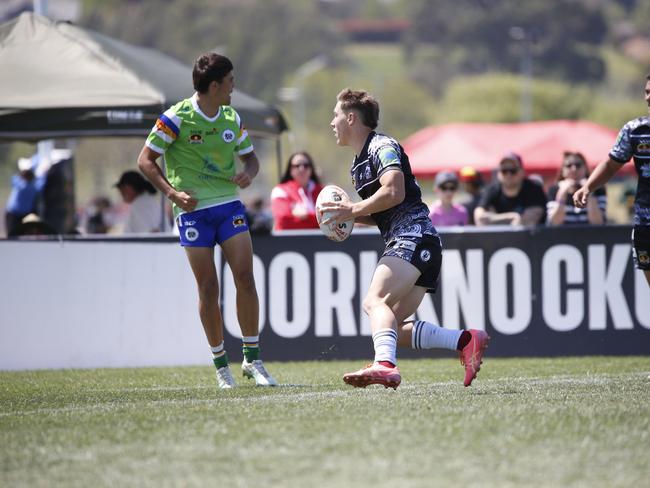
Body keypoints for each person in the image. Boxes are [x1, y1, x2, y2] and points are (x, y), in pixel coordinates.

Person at [324, 88, 489, 389]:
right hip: (418, 241)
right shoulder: (357, 164)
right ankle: (465, 339)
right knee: (392, 327)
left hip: (412, 235)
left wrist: (352, 208)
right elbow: (385, 210)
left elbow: (394, 191)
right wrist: (347, 217)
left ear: (350, 117)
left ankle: (385, 366)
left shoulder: (382, 146)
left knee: (375, 301)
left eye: (335, 115)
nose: (332, 122)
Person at [136, 52, 277, 389]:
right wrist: (173, 194)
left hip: (229, 206)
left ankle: (252, 359)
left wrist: (248, 173)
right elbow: (145, 160)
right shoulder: (176, 118)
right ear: (214, 85)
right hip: (192, 212)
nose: (234, 87)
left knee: (245, 277)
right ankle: (220, 364)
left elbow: (251, 159)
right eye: (230, 82)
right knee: (209, 288)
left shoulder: (231, 117)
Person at [574, 74, 650, 287]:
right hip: (645, 223)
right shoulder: (634, 131)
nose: (648, 98)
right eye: (646, 92)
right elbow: (610, 165)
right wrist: (588, 187)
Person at [474, 152, 547, 226]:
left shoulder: (534, 189)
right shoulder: (491, 189)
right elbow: (480, 218)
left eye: (513, 171)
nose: (508, 175)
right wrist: (511, 217)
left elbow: (527, 221)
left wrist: (493, 219)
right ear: (498, 173)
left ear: (522, 171)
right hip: (499, 237)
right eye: (504, 171)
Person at [547, 151, 606, 226]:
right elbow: (554, 223)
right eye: (568, 165)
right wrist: (562, 193)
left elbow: (598, 222)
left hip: (591, 236)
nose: (574, 169)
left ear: (585, 168)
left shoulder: (598, 188)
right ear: (562, 170)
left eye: (578, 165)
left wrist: (589, 191)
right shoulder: (554, 189)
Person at [270, 151, 324, 230]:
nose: (302, 169)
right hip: (290, 241)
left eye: (306, 165)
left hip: (320, 241)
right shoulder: (280, 191)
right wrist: (319, 218)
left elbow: (333, 221)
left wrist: (306, 216)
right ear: (290, 170)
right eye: (297, 165)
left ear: (311, 169)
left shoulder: (323, 192)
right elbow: (283, 222)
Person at [4, 158, 47, 236]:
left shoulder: (24, 183)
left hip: (25, 215)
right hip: (13, 215)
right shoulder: (25, 185)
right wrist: (42, 173)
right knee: (12, 236)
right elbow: (41, 183)